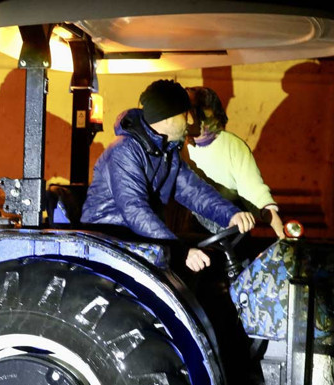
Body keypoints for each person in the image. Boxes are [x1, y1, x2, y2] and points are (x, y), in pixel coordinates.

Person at [80, 79, 255, 272]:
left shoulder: (166, 151)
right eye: (185, 113)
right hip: (113, 241)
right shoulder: (124, 151)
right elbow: (134, 210)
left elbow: (194, 192)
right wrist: (179, 251)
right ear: (166, 118)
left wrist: (231, 215)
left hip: (141, 238)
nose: (190, 121)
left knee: (212, 254)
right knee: (192, 260)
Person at [184, 86, 285, 238]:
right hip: (189, 231)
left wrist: (281, 233)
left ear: (208, 113)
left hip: (230, 229)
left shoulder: (233, 145)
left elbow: (254, 191)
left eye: (189, 110)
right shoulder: (176, 145)